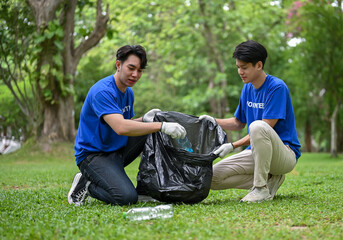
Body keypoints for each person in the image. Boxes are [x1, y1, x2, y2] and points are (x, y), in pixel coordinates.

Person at [67, 45, 186, 206]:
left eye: (140, 70)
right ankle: (86, 184)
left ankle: (146, 188)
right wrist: (161, 126)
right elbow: (121, 127)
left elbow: (128, 124)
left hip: (116, 150)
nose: (135, 74)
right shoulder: (103, 92)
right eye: (131, 68)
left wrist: (145, 119)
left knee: (149, 128)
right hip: (93, 156)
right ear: (118, 65)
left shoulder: (128, 92)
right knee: (126, 198)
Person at [200, 40, 301, 203]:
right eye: (238, 67)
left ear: (259, 65)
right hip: (256, 151)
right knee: (211, 177)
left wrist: (233, 145)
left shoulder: (277, 88)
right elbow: (238, 122)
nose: (240, 71)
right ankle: (270, 180)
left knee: (257, 126)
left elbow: (264, 128)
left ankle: (260, 189)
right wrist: (213, 121)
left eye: (244, 67)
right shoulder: (247, 87)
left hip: (284, 154)